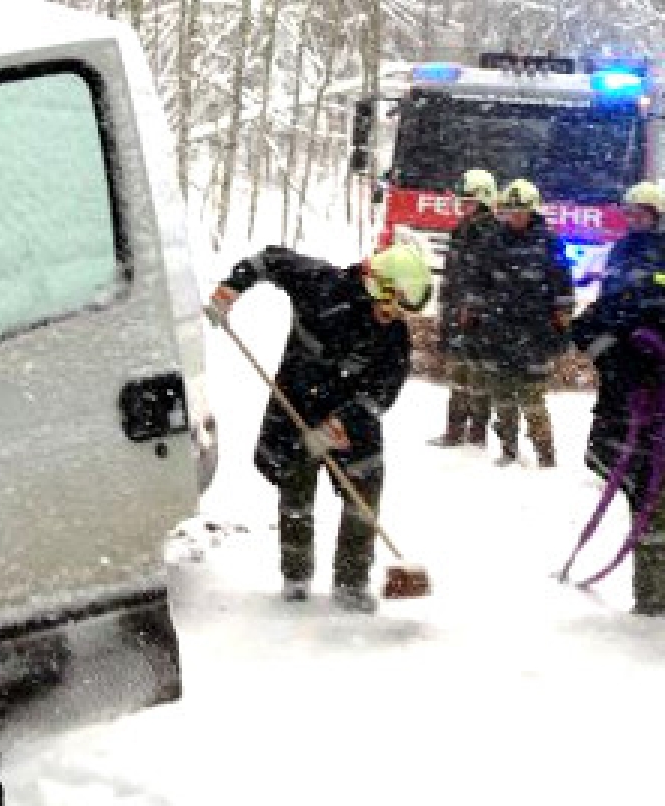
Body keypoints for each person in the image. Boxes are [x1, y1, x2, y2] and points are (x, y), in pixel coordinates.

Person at [207, 241, 430, 612]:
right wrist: (230, 290)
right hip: (297, 407)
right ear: (378, 287)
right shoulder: (321, 284)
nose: (395, 317)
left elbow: (382, 393)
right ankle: (295, 579)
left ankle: (351, 582)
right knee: (296, 494)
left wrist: (341, 425)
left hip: (351, 421)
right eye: (393, 307)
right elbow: (268, 260)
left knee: (364, 491)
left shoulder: (394, 337)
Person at [570, 181, 665, 614]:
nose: (637, 221)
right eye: (632, 213)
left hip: (655, 400)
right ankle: (651, 597)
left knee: (654, 499)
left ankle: (653, 598)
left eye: (645, 213)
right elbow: (597, 319)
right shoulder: (618, 253)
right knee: (640, 492)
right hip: (625, 401)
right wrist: (611, 353)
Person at [465, 178, 574, 467]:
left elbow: (563, 290)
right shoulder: (492, 241)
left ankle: (545, 456)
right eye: (510, 211)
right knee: (502, 396)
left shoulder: (550, 243)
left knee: (533, 400)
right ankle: (509, 451)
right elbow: (478, 283)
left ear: (532, 211)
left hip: (536, 334)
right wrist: (472, 321)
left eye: (521, 211)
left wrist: (561, 330)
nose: (515, 217)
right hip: (497, 331)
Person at [429, 169, 500, 448]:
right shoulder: (462, 229)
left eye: (468, 200)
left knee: (478, 376)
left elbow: (491, 280)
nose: (463, 205)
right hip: (457, 310)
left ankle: (477, 433)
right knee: (457, 374)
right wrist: (446, 303)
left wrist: (475, 306)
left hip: (479, 318)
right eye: (462, 200)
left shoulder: (493, 233)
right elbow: (453, 272)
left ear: (484, 199)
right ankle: (454, 430)